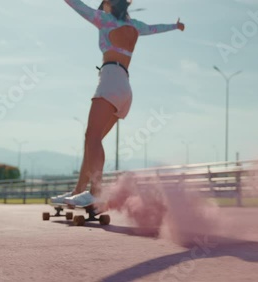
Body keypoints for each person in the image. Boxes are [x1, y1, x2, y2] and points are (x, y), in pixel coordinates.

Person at [52, 0, 185, 207]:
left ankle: (95, 192)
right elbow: (154, 28)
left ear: (109, 4)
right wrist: (175, 26)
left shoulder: (104, 20)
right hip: (125, 88)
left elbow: (78, 6)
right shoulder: (136, 26)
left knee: (92, 138)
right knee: (92, 142)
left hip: (110, 81)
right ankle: (79, 191)